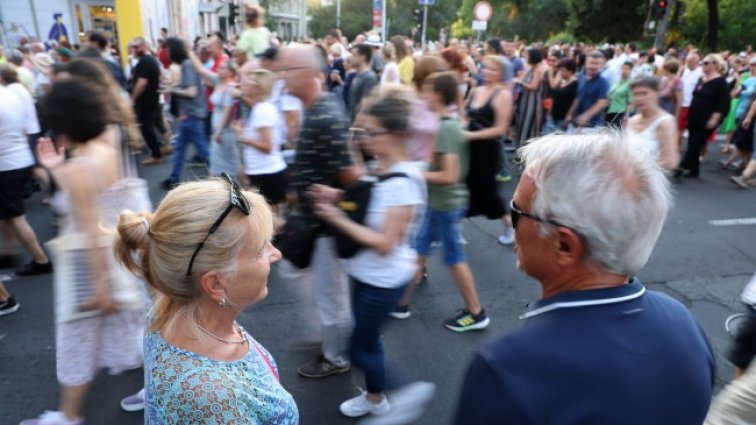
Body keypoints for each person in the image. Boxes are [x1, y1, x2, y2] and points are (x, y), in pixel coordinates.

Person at [454, 131, 715, 425]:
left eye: (517, 212)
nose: (512, 226)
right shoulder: (682, 321)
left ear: (564, 245)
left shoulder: (508, 367)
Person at [113, 177, 298, 424]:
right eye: (260, 249)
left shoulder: (169, 307)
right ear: (216, 284)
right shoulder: (212, 399)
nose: (276, 254)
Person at [20, 78, 144, 425]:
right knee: (135, 329)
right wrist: (57, 170)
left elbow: (89, 228)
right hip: (119, 256)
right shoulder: (106, 145)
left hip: (86, 266)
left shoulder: (78, 167)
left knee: (77, 342)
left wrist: (100, 286)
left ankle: (68, 415)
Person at [308, 89, 428, 419]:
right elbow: (366, 200)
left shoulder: (402, 180)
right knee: (368, 340)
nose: (364, 139)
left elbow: (385, 242)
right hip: (368, 275)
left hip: (383, 280)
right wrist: (339, 196)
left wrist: (336, 218)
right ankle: (377, 399)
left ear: (396, 134)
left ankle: (403, 391)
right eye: (363, 132)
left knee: (358, 347)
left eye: (371, 133)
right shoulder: (383, 168)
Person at [277, 45, 362, 379]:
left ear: (309, 73)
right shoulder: (316, 110)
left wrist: (333, 198)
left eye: (286, 70)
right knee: (321, 291)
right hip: (315, 225)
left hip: (326, 228)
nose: (281, 77)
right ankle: (330, 340)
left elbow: (353, 178)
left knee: (332, 297)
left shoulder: (325, 115)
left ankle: (337, 357)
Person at [394, 72, 489, 333]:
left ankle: (476, 312)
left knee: (454, 258)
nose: (422, 94)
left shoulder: (446, 126)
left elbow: (450, 175)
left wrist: (412, 172)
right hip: (438, 202)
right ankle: (401, 303)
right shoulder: (445, 122)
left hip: (446, 204)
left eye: (426, 89)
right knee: (418, 249)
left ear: (437, 94)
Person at [463, 56, 516, 246]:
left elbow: (500, 129)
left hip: (487, 150)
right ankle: (451, 229)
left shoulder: (503, 95)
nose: (486, 72)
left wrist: (471, 136)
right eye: (485, 68)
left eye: (492, 69)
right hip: (467, 148)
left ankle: (510, 227)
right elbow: (465, 115)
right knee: (463, 186)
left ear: (501, 73)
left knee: (488, 191)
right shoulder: (476, 90)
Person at [0, 83, 51, 277]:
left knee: (15, 217)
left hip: (7, 164)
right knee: (7, 214)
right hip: (18, 159)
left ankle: (41, 261)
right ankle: (8, 251)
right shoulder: (10, 93)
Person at [234, 69, 288, 215]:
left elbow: (268, 146)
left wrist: (243, 137)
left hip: (266, 171)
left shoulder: (262, 110)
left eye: (248, 83)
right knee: (270, 217)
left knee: (270, 219)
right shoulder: (261, 107)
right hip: (263, 170)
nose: (243, 86)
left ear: (257, 88)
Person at [161, 37, 210, 189]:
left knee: (204, 151)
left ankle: (223, 174)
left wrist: (171, 90)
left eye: (168, 50)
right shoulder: (187, 64)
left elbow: (191, 92)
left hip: (192, 115)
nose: (166, 53)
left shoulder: (188, 65)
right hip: (190, 115)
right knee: (181, 149)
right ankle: (173, 178)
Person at [675, 54, 730, 179]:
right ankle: (694, 171)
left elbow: (723, 103)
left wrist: (715, 118)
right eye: (702, 63)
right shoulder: (701, 79)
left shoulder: (720, 82)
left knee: (695, 143)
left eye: (706, 63)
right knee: (692, 142)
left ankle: (681, 166)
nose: (702, 65)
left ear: (715, 65)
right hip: (694, 116)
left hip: (708, 119)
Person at [627, 76, 679, 171]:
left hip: (650, 181)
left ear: (656, 93)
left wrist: (638, 170)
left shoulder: (665, 122)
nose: (639, 98)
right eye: (635, 94)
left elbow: (670, 162)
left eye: (644, 93)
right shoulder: (632, 121)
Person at [130, 37, 165, 165]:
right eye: (133, 47)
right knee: (150, 127)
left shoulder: (145, 61)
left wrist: (133, 99)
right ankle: (157, 151)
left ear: (144, 46)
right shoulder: (150, 60)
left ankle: (156, 155)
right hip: (151, 99)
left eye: (137, 47)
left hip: (146, 101)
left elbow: (142, 83)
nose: (134, 50)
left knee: (147, 128)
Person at [566, 50, 610, 133]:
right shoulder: (581, 78)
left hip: (592, 128)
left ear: (601, 65)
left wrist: (586, 116)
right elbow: (578, 97)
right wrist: (569, 114)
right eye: (591, 63)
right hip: (575, 124)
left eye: (596, 64)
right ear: (586, 63)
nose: (593, 66)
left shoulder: (603, 82)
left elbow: (602, 102)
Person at [514, 48, 547, 144]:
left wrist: (520, 82)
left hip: (533, 102)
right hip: (526, 100)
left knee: (529, 124)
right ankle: (520, 147)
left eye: (527, 55)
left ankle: (525, 150)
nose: (525, 57)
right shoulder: (532, 68)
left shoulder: (538, 69)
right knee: (523, 122)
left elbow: (534, 86)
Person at [544, 58, 578, 134]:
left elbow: (575, 101)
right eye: (560, 70)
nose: (560, 72)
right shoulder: (560, 81)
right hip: (552, 115)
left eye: (563, 70)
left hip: (563, 118)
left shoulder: (575, 84)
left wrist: (569, 115)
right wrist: (549, 111)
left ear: (570, 71)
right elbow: (553, 96)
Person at [678, 51, 703, 150]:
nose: (687, 63)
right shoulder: (686, 71)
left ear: (696, 61)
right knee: (679, 128)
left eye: (689, 61)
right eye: (687, 61)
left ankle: (694, 150)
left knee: (693, 130)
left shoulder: (700, 72)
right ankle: (677, 148)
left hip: (693, 105)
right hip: (683, 104)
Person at [347, 44, 378, 123]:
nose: (351, 58)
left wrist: (356, 126)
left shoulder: (369, 77)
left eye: (354, 55)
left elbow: (365, 106)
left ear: (363, 57)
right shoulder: (357, 75)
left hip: (361, 125)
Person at [605, 61, 633, 127]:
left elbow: (631, 102)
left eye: (627, 69)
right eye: (623, 68)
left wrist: (626, 115)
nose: (624, 70)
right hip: (609, 111)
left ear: (631, 71)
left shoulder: (631, 84)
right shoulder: (616, 82)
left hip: (620, 113)